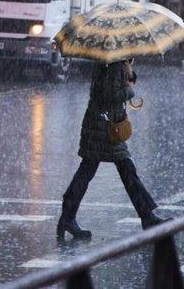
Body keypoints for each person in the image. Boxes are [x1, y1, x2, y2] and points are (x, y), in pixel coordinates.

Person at [57, 59, 166, 239]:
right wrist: (129, 90)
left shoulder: (114, 61)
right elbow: (109, 96)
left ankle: (68, 218)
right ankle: (147, 217)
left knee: (100, 170)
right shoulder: (113, 63)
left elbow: (110, 88)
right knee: (114, 170)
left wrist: (129, 73)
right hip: (103, 127)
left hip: (103, 124)